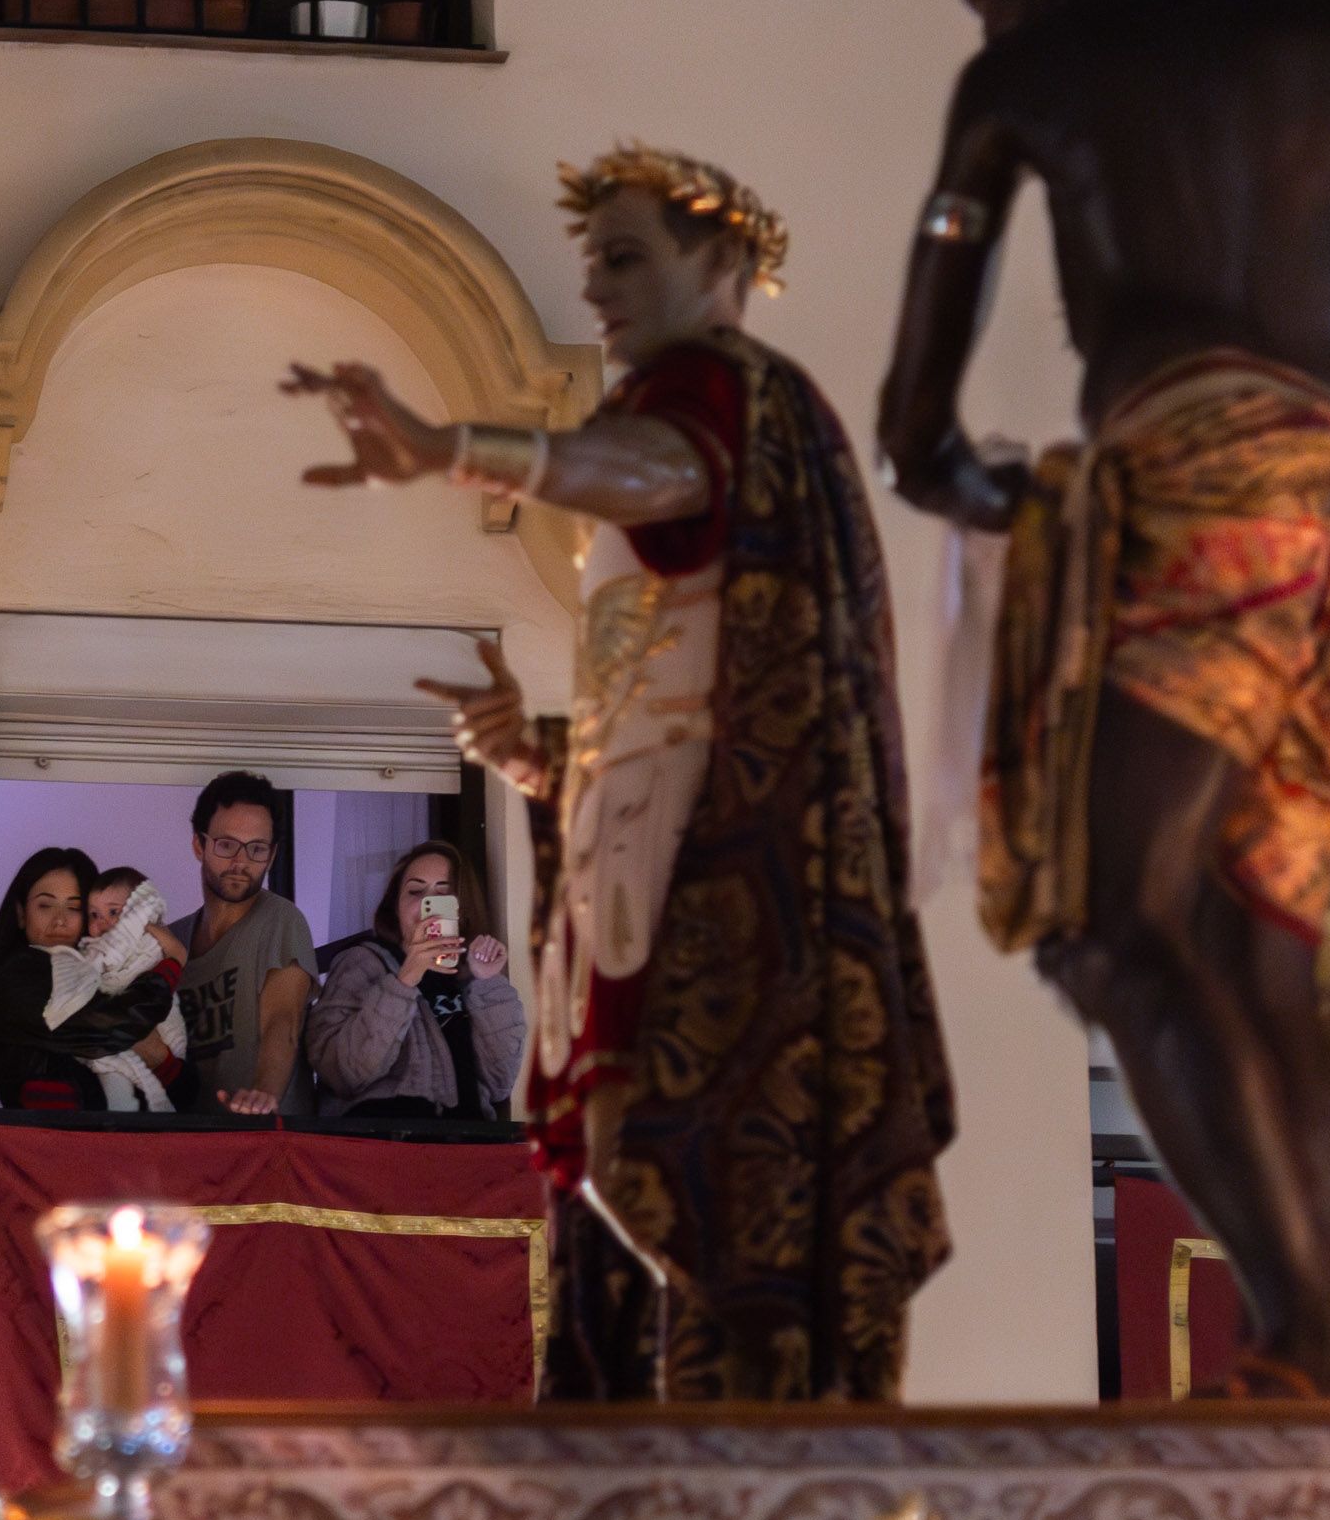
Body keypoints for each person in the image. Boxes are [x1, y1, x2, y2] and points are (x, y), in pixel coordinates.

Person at [874, 0, 1330, 1396]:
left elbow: (921, 389)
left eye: (990, 7)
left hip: (1188, 475)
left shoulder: (1040, 64)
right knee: (1259, 951)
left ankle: (1304, 1328)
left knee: (1116, 928)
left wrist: (971, 485)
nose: (991, 36)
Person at [289, 145, 955, 1402]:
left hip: (708, 878)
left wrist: (449, 448)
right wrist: (537, 760)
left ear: (724, 264)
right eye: (592, 258)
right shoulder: (696, 414)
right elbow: (659, 703)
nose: (595, 286)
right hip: (639, 863)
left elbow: (665, 477)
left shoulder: (726, 398)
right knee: (625, 1177)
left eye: (627, 256)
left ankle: (708, 1451)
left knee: (685, 1177)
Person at [311, 839, 525, 1123]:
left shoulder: (468, 979)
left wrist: (487, 982)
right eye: (416, 892)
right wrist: (405, 979)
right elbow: (341, 1072)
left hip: (466, 1150)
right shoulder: (361, 963)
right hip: (388, 1148)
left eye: (442, 895)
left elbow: (499, 1084)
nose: (429, 906)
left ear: (461, 911)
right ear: (395, 907)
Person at [0, 847, 184, 1110]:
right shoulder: (17, 976)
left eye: (74, 908)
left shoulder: (99, 971)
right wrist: (171, 967)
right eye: (45, 905)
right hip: (47, 1139)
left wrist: (163, 1061)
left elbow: (185, 1092)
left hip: (112, 1140)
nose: (60, 921)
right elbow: (108, 1028)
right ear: (21, 913)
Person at [177, 772, 317, 1118]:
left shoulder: (281, 920)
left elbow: (283, 1021)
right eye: (226, 845)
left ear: (271, 856)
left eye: (256, 849)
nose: (240, 862)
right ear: (199, 845)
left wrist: (263, 1094)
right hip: (188, 1145)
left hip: (266, 1146)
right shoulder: (172, 940)